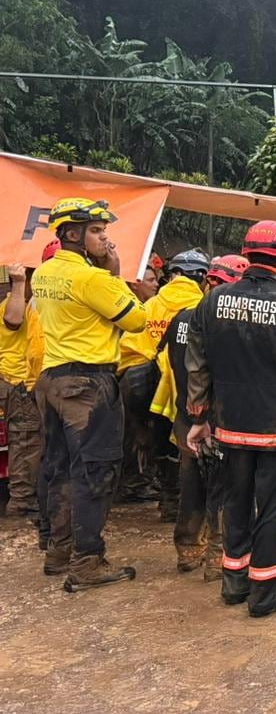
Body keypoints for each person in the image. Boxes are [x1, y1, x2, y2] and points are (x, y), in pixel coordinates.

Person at [185, 220, 276, 618]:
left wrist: (198, 416)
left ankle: (235, 584)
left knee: (235, 502)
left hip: (230, 427)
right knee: (272, 509)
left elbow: (197, 364)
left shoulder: (213, 302)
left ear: (246, 254)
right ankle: (266, 592)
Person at [30, 197, 147, 590]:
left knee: (59, 469)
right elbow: (137, 319)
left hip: (51, 381)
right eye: (97, 231)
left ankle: (57, 552)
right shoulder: (93, 279)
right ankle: (88, 562)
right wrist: (114, 276)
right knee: (95, 473)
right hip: (88, 385)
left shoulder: (42, 274)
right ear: (73, 234)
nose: (105, 239)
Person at [152, 254, 247, 578]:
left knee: (191, 485)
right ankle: (217, 561)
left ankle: (188, 551)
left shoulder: (181, 318)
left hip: (185, 417)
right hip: (219, 419)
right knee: (225, 488)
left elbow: (164, 359)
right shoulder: (231, 326)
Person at [116, 249, 211, 518]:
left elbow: (127, 350)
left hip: (145, 392)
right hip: (186, 393)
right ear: (202, 277)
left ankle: (168, 500)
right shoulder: (203, 308)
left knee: (157, 443)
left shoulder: (150, 306)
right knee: (188, 448)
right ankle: (189, 508)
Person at [0, 262, 43, 523]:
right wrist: (17, 283)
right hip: (18, 383)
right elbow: (13, 321)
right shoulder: (13, 304)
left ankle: (27, 498)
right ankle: (22, 501)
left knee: (32, 442)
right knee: (26, 441)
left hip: (28, 382)